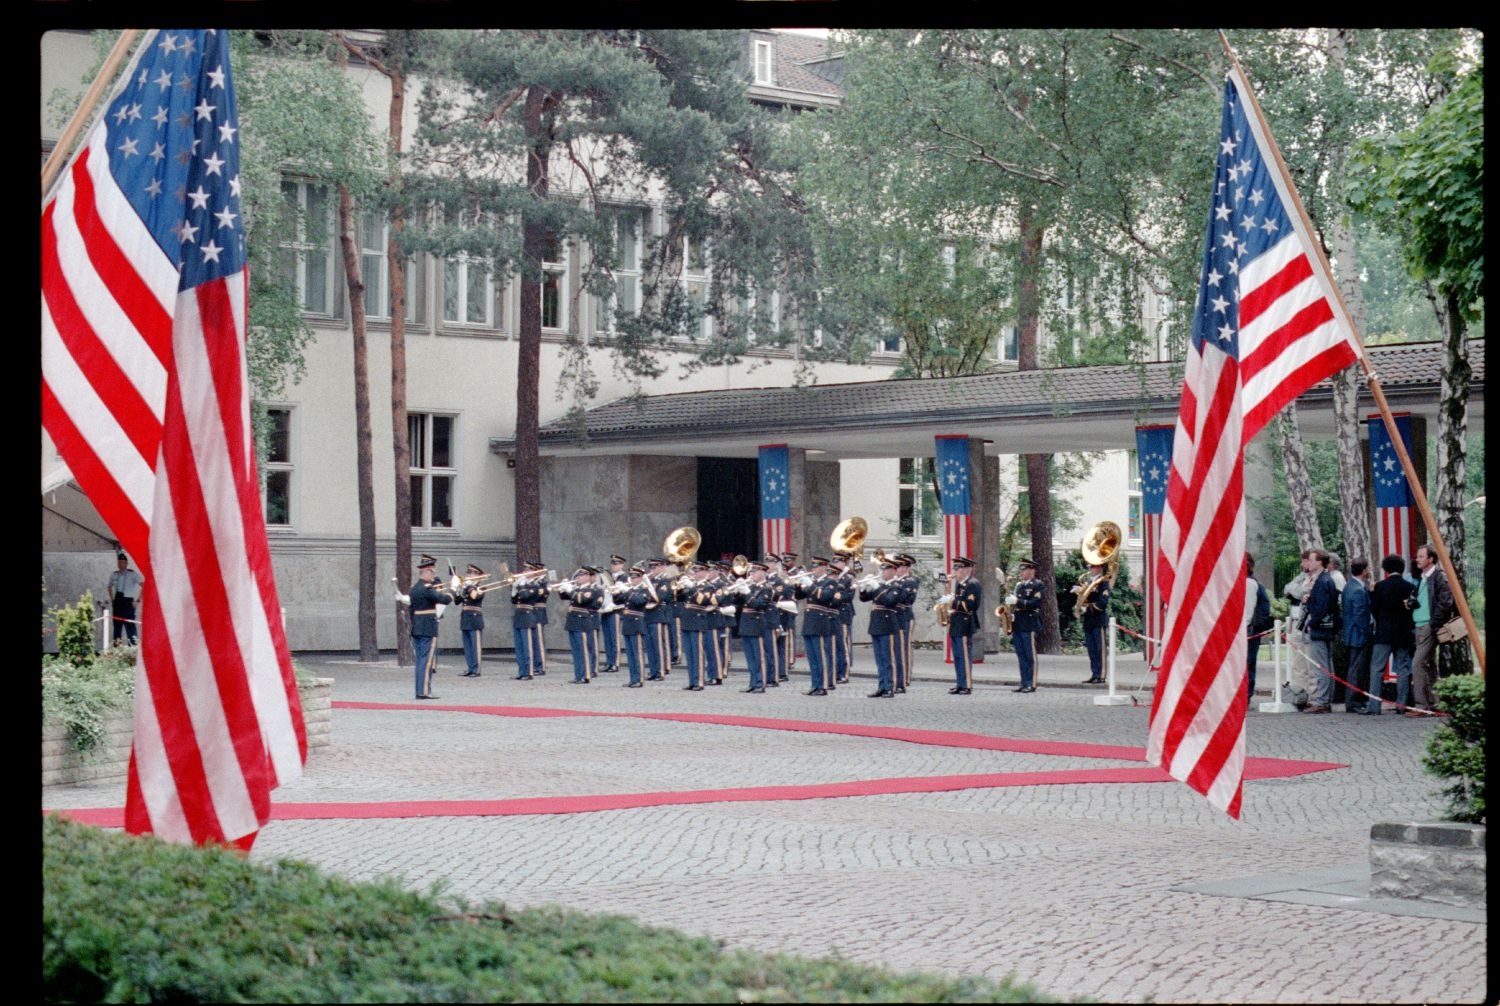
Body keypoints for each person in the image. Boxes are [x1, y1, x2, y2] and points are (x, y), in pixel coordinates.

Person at [1408, 543, 1456, 716]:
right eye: (1417, 556)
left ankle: (1421, 706)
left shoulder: (1438, 577)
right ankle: (1436, 703)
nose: (1417, 559)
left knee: (1418, 663)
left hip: (1428, 625)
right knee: (1429, 664)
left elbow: (1445, 602)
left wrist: (1433, 623)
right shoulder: (1423, 578)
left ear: (1431, 559)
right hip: (1420, 624)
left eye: (1421, 556)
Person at [1367, 554, 1416, 716]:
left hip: (1383, 632)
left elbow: (1373, 608)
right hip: (1403, 633)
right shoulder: (1409, 587)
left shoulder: (1380, 587)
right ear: (1402, 569)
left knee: (1377, 669)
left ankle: (1374, 705)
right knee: (1403, 668)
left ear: (1385, 569)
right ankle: (1401, 704)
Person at [408, 554, 455, 699]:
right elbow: (445, 599)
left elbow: (411, 610)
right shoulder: (427, 589)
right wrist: (454, 588)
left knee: (420, 661)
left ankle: (420, 690)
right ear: (426, 571)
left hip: (417, 626)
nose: (434, 575)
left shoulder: (414, 588)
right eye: (432, 572)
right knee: (427, 661)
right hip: (428, 627)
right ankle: (424, 691)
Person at [1299, 548, 1339, 714]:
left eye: (1313, 559)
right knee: (1326, 664)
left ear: (1320, 562)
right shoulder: (1324, 579)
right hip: (1325, 627)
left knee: (1320, 666)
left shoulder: (1322, 581)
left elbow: (1321, 608)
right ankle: (1325, 698)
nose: (1310, 562)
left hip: (1320, 628)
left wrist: (1311, 622)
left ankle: (1322, 700)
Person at [796, 556, 842, 696]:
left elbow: (824, 597)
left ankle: (823, 685)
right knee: (812, 657)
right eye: (813, 567)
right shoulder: (814, 583)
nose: (813, 569)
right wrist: (798, 584)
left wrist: (810, 585)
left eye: (816, 567)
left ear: (823, 567)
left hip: (821, 622)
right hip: (810, 622)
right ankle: (815, 684)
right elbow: (799, 596)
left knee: (821, 656)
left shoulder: (830, 582)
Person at [863, 557, 905, 698]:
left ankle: (890, 687)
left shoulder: (897, 586)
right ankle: (882, 685)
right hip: (876, 624)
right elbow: (864, 598)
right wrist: (864, 587)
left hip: (888, 624)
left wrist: (876, 587)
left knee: (888, 658)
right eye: (882, 569)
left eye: (886, 569)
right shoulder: (881, 585)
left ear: (893, 570)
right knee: (879, 659)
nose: (883, 572)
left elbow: (889, 601)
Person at [733, 561, 775, 692]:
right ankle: (752, 683)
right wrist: (737, 591)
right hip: (746, 624)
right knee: (750, 658)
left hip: (757, 624)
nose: (752, 574)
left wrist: (746, 593)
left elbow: (759, 604)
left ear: (763, 573)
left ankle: (760, 683)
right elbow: (737, 602)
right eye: (750, 572)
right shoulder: (751, 587)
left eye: (754, 572)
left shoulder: (766, 588)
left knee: (759, 656)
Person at [943, 557, 982, 695]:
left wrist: (952, 600)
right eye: (955, 568)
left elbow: (971, 605)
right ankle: (960, 684)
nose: (955, 571)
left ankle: (967, 685)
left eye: (958, 568)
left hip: (966, 623)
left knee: (964, 656)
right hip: (956, 622)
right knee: (958, 656)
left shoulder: (973, 584)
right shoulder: (960, 584)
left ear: (967, 569)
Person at [559, 566, 604, 684]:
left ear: (589, 577)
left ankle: (586, 676)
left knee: (583, 650)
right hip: (573, 621)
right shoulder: (577, 588)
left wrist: (570, 590)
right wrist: (562, 588)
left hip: (583, 621)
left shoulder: (591, 589)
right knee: (576, 651)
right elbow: (564, 596)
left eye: (582, 575)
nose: (579, 578)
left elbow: (581, 599)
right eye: (578, 575)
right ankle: (578, 675)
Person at [1340, 559, 1374, 712]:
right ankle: (1354, 701)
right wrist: (1366, 631)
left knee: (1355, 668)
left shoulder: (1350, 586)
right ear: (1364, 571)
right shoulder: (1358, 590)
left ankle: (1355, 700)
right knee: (1357, 669)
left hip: (1351, 633)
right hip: (1358, 635)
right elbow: (1360, 615)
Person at [1009, 558, 1045, 693]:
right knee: (1021, 655)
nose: (1021, 572)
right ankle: (1024, 682)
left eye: (1024, 570)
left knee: (1030, 655)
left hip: (1029, 623)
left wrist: (1017, 601)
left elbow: (1034, 603)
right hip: (1018, 623)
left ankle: (1032, 683)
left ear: (1031, 570)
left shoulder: (1037, 585)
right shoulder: (1019, 586)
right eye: (1021, 570)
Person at [1075, 562, 1111, 684]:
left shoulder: (1103, 582)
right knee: (1091, 649)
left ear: (1100, 568)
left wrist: (1087, 607)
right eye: (1089, 566)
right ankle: (1094, 673)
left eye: (1093, 566)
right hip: (1088, 620)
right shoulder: (1088, 583)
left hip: (1098, 619)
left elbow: (1103, 603)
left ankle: (1101, 675)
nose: (1090, 569)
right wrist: (1079, 594)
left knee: (1100, 649)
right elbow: (1085, 599)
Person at [617, 565, 652, 688]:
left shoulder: (644, 590)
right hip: (627, 623)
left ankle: (639, 679)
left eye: (635, 577)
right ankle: (633, 678)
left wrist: (627, 591)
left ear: (641, 578)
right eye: (631, 577)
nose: (632, 579)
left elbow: (639, 602)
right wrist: (617, 591)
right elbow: (617, 600)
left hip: (637, 623)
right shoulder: (630, 590)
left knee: (637, 654)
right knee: (630, 655)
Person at [1245, 554, 1273, 702]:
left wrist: (1243, 627)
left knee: (1247, 662)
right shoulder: (1251, 582)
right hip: (1250, 628)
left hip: (1249, 629)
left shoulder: (1249, 583)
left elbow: (1247, 611)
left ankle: (1246, 695)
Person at [598, 555, 628, 674]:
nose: (614, 566)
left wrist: (614, 594)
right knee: (607, 637)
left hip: (616, 609)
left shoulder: (625, 577)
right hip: (606, 609)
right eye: (612, 564)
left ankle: (615, 662)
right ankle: (609, 662)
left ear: (622, 565)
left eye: (616, 564)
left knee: (614, 637)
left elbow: (624, 594)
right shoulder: (608, 576)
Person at [106, 552, 144, 645]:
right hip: (118, 601)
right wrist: (112, 599)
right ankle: (117, 650)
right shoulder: (114, 574)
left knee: (130, 627)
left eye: (123, 562)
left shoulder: (132, 574)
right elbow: (109, 586)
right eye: (119, 562)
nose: (121, 564)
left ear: (126, 563)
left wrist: (138, 600)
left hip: (128, 602)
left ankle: (133, 649)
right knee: (117, 627)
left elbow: (144, 585)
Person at [458, 563, 486, 677]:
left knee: (475, 645)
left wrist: (468, 587)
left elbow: (475, 596)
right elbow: (456, 601)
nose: (468, 575)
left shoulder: (480, 587)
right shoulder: (466, 587)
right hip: (465, 617)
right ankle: (470, 667)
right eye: (468, 573)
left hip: (475, 618)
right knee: (468, 646)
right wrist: (459, 590)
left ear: (478, 575)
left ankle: (477, 669)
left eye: (471, 573)